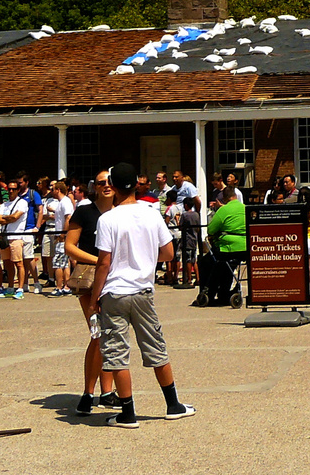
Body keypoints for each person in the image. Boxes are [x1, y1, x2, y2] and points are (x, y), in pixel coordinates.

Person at [88, 163, 195, 427]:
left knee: (116, 352)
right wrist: (146, 259)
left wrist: (94, 297)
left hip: (115, 291)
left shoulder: (108, 219)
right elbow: (168, 253)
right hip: (143, 290)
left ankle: (128, 411)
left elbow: (104, 262)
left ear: (111, 185)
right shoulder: (151, 213)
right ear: (136, 183)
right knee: (155, 346)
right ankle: (173, 403)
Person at [67, 168, 118, 416]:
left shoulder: (123, 211)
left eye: (109, 182)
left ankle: (107, 392)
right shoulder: (84, 211)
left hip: (118, 279)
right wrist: (98, 260)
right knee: (98, 333)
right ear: (94, 187)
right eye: (100, 183)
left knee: (113, 336)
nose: (105, 186)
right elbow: (69, 247)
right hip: (91, 279)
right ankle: (88, 393)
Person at [200, 189, 246, 307]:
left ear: (224, 198)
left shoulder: (224, 210)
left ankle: (208, 293)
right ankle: (224, 293)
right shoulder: (245, 208)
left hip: (228, 248)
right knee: (229, 266)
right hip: (245, 248)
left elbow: (211, 229)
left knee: (206, 262)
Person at [0, 177, 32, 299]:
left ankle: (20, 288)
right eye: (9, 189)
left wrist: (5, 217)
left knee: (18, 263)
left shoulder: (22, 203)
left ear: (18, 190)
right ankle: (10, 287)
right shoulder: (4, 204)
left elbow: (15, 217)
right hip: (5, 236)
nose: (11, 191)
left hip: (16, 236)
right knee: (7, 263)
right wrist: (8, 217)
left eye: (13, 189)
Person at [46, 180, 75, 296]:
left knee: (57, 263)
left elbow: (68, 218)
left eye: (53, 189)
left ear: (58, 190)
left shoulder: (65, 202)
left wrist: (63, 234)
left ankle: (59, 287)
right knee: (64, 263)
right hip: (60, 235)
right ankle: (66, 286)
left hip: (63, 236)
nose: (52, 192)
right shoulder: (61, 203)